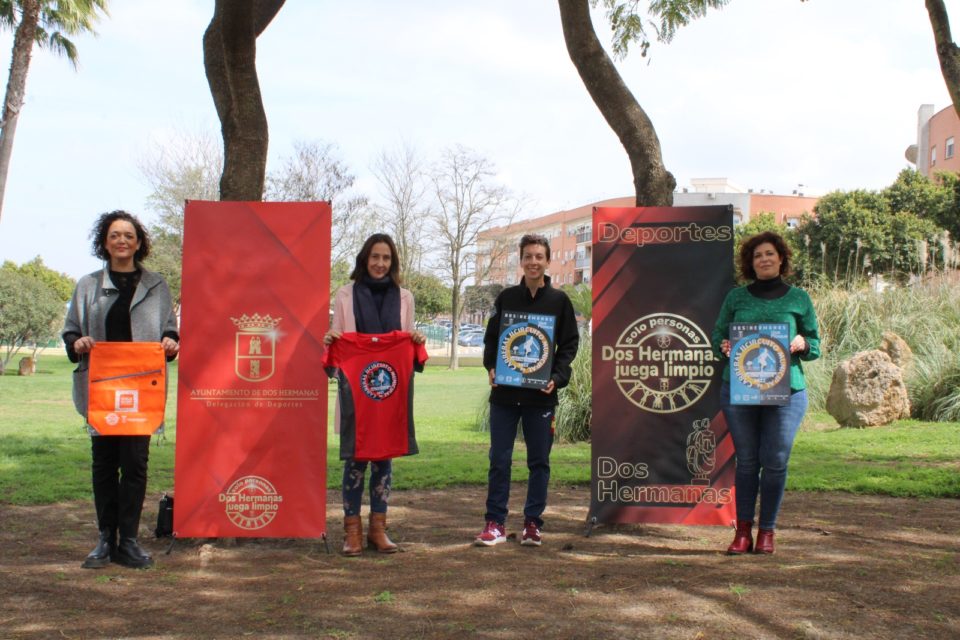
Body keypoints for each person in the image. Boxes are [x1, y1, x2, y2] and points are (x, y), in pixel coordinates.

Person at [63, 211, 180, 569]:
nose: (122, 241)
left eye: (129, 235)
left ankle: (128, 541)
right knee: (104, 463)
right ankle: (104, 539)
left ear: (139, 242)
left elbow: (171, 331)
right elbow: (70, 332)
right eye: (115, 235)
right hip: (101, 390)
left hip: (142, 391)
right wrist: (78, 341)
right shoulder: (87, 285)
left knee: (135, 463)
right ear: (105, 242)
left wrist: (170, 342)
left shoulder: (156, 285)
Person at [712, 231, 820, 555]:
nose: (764, 259)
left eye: (770, 254)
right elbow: (719, 335)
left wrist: (802, 344)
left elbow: (815, 345)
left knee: (775, 461)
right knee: (746, 461)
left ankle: (767, 531)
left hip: (787, 392)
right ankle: (742, 531)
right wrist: (725, 345)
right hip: (740, 389)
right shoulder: (736, 298)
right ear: (751, 262)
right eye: (758, 255)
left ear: (781, 258)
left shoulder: (799, 298)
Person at [324, 233, 425, 556]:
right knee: (356, 460)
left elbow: (407, 349)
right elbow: (339, 345)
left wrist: (415, 340)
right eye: (375, 257)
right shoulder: (345, 294)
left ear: (392, 262)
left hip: (388, 393)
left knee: (384, 461)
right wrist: (332, 340)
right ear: (364, 259)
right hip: (357, 392)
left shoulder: (405, 298)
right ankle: (351, 531)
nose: (380, 264)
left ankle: (378, 529)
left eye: (386, 258)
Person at [475, 234, 579, 547]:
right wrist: (491, 366)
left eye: (539, 256)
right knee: (500, 460)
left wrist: (557, 377)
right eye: (528, 256)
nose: (533, 262)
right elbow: (492, 340)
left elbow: (570, 344)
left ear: (548, 261)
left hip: (541, 395)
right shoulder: (506, 297)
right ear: (521, 260)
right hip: (505, 395)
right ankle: (494, 523)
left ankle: (533, 524)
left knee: (539, 462)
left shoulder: (559, 301)